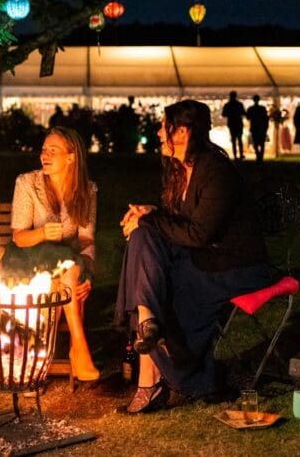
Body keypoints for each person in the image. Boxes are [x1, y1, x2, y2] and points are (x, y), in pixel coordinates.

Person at [114, 100, 269, 413]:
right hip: (203, 255)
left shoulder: (217, 172)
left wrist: (149, 219)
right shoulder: (181, 169)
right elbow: (180, 223)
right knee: (143, 241)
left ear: (182, 131)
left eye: (164, 126)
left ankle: (165, 377)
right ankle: (147, 326)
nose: (159, 133)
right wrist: (149, 214)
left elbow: (198, 234)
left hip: (235, 265)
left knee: (159, 278)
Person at [3, 126, 100, 381]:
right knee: (66, 263)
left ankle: (35, 363)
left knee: (61, 278)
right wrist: (43, 233)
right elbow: (19, 238)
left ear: (71, 158)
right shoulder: (27, 183)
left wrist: (88, 275)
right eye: (44, 150)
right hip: (26, 259)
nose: (44, 155)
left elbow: (86, 240)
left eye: (53, 151)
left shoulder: (86, 190)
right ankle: (78, 346)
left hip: (65, 268)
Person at [220, 91, 246, 160]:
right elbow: (244, 113)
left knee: (233, 139)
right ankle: (241, 155)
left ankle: (235, 155)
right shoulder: (239, 104)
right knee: (239, 139)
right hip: (239, 123)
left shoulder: (227, 105)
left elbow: (223, 114)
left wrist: (230, 114)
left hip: (231, 123)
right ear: (235, 96)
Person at [246, 95, 269, 163]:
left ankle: (258, 155)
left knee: (255, 142)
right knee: (261, 143)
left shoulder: (251, 108)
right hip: (261, 127)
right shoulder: (262, 108)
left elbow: (248, 117)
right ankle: (260, 156)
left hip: (254, 127)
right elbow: (266, 118)